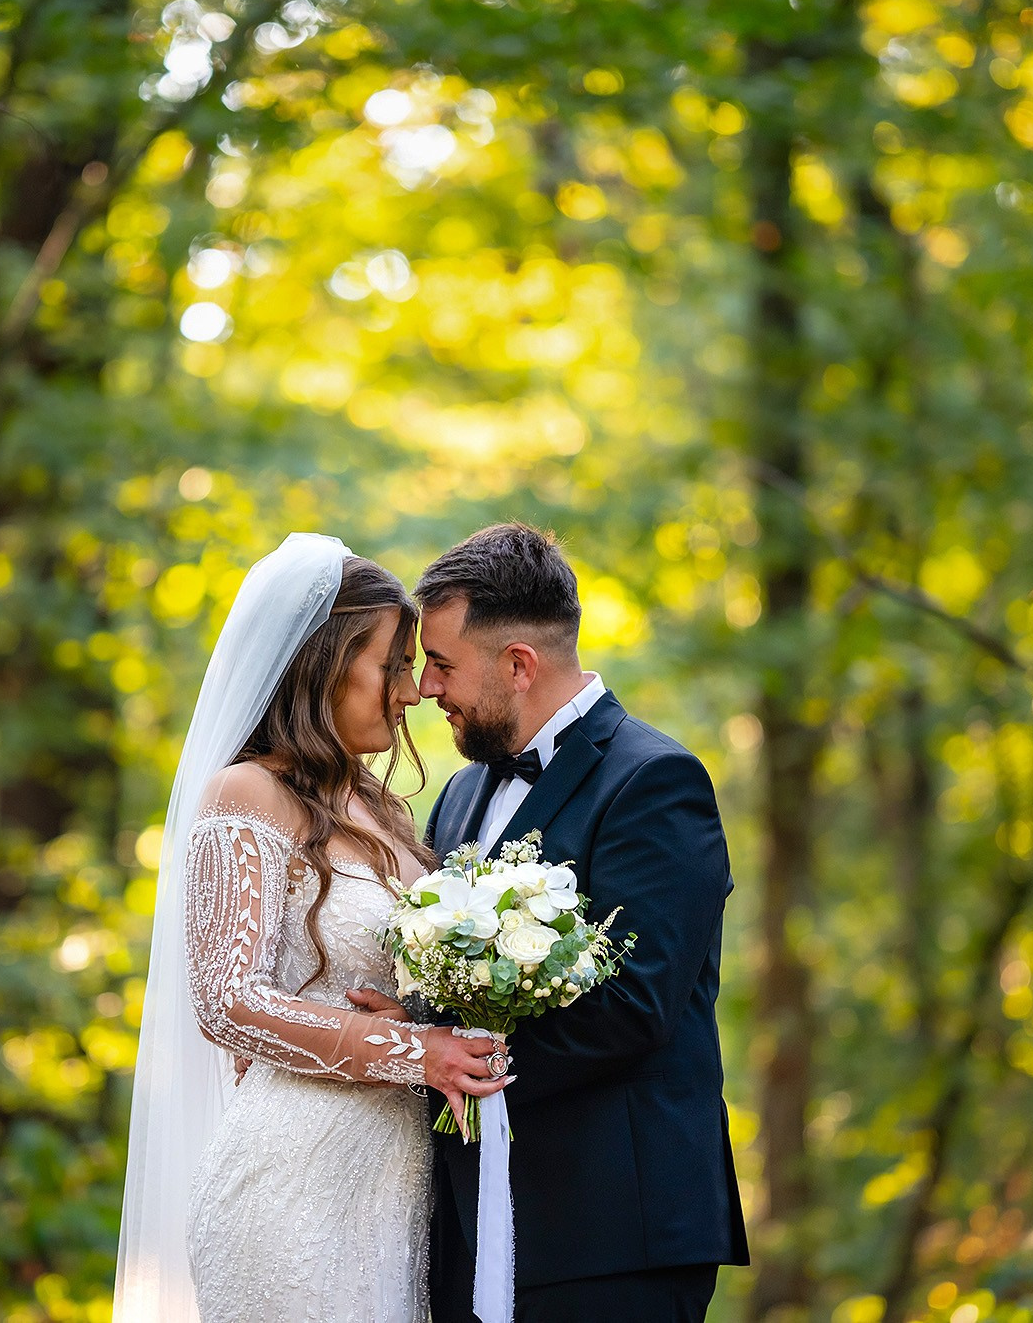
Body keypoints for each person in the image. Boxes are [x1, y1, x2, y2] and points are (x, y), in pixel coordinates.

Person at [113, 533, 510, 1323]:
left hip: (392, 1193)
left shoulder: (383, 810)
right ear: (323, 664)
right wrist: (412, 1053)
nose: (411, 691)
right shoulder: (244, 793)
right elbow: (227, 1002)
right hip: (291, 1186)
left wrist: (434, 1026)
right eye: (392, 664)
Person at [398, 522, 749, 1323]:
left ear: (518, 664)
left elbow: (634, 1005)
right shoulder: (457, 796)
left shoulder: (655, 781)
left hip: (613, 1230)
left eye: (443, 663)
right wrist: (412, 1024)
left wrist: (455, 1061)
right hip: (473, 1226)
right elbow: (457, 980)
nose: (425, 688)